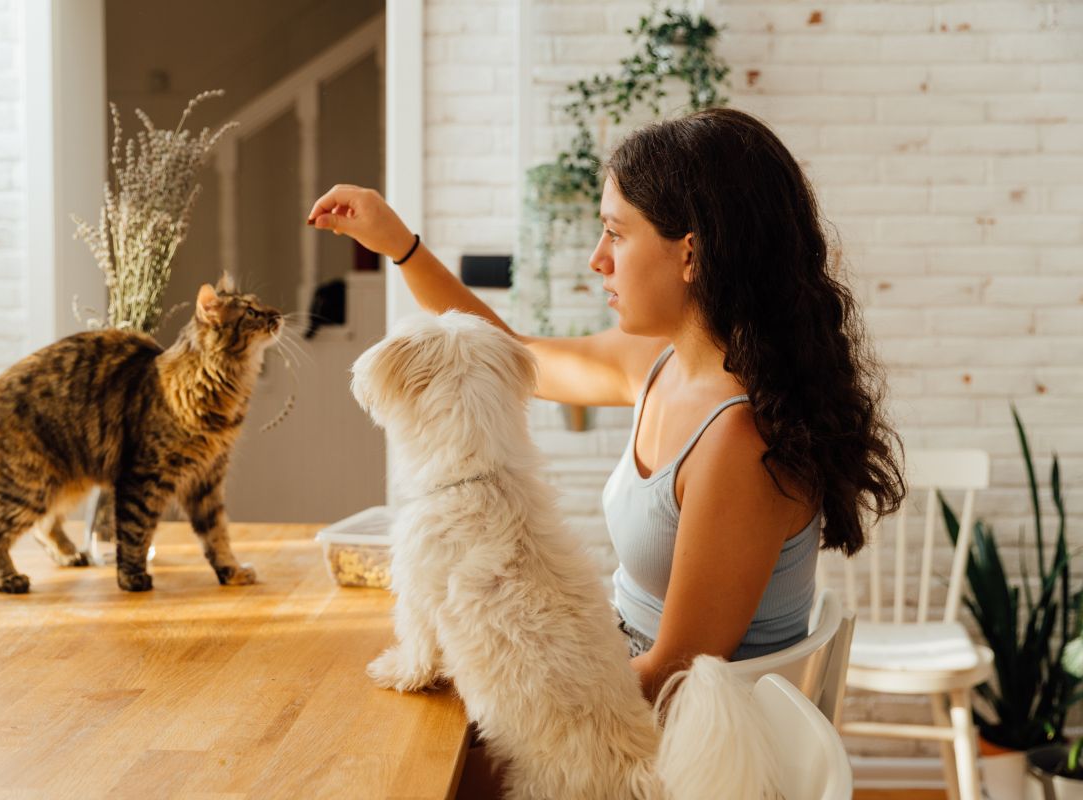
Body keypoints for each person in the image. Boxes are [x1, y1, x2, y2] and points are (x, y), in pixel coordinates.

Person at [307, 107, 905, 793]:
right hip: (611, 680)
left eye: (616, 234)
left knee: (400, 757)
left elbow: (672, 674)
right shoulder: (664, 362)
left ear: (691, 252)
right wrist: (401, 246)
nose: (597, 259)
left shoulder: (741, 443)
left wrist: (505, 681)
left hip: (656, 746)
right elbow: (515, 352)